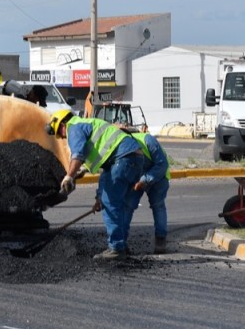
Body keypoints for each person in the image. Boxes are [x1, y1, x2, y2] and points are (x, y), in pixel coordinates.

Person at [46, 108, 145, 260]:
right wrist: (99, 198)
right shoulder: (87, 124)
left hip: (123, 158)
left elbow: (77, 154)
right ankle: (121, 245)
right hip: (134, 158)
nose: (62, 137)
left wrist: (69, 176)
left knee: (111, 203)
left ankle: (116, 248)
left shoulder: (74, 127)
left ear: (62, 124)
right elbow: (105, 173)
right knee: (118, 203)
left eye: (60, 133)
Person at [127, 131, 171, 254]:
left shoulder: (148, 141)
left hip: (159, 177)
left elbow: (162, 165)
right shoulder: (124, 146)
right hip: (137, 176)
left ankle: (160, 239)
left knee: (158, 206)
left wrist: (144, 180)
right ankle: (120, 242)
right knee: (128, 205)